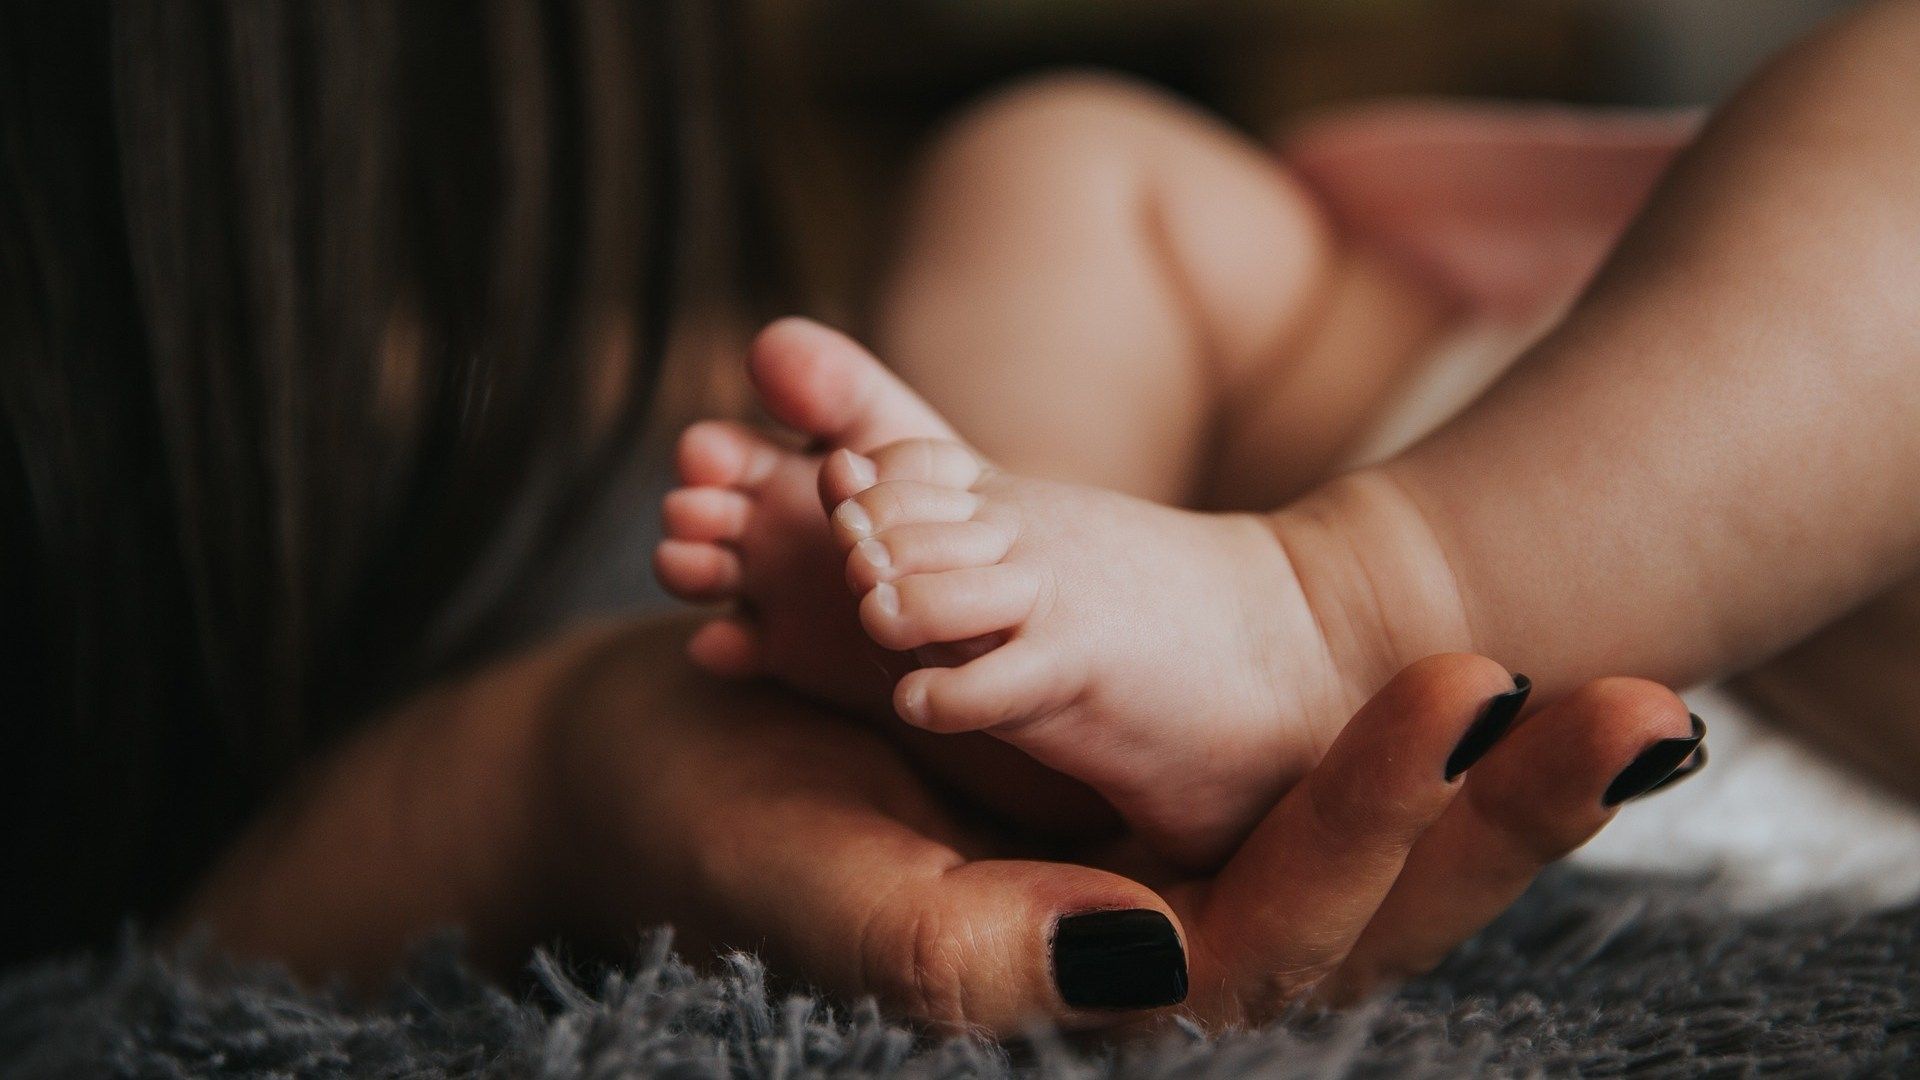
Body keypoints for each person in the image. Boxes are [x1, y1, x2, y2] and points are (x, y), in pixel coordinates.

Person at [658, 0, 1920, 871]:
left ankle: (1329, 618)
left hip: (1831, 672)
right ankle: (1027, 650)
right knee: (1062, 157)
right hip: (1491, 416)